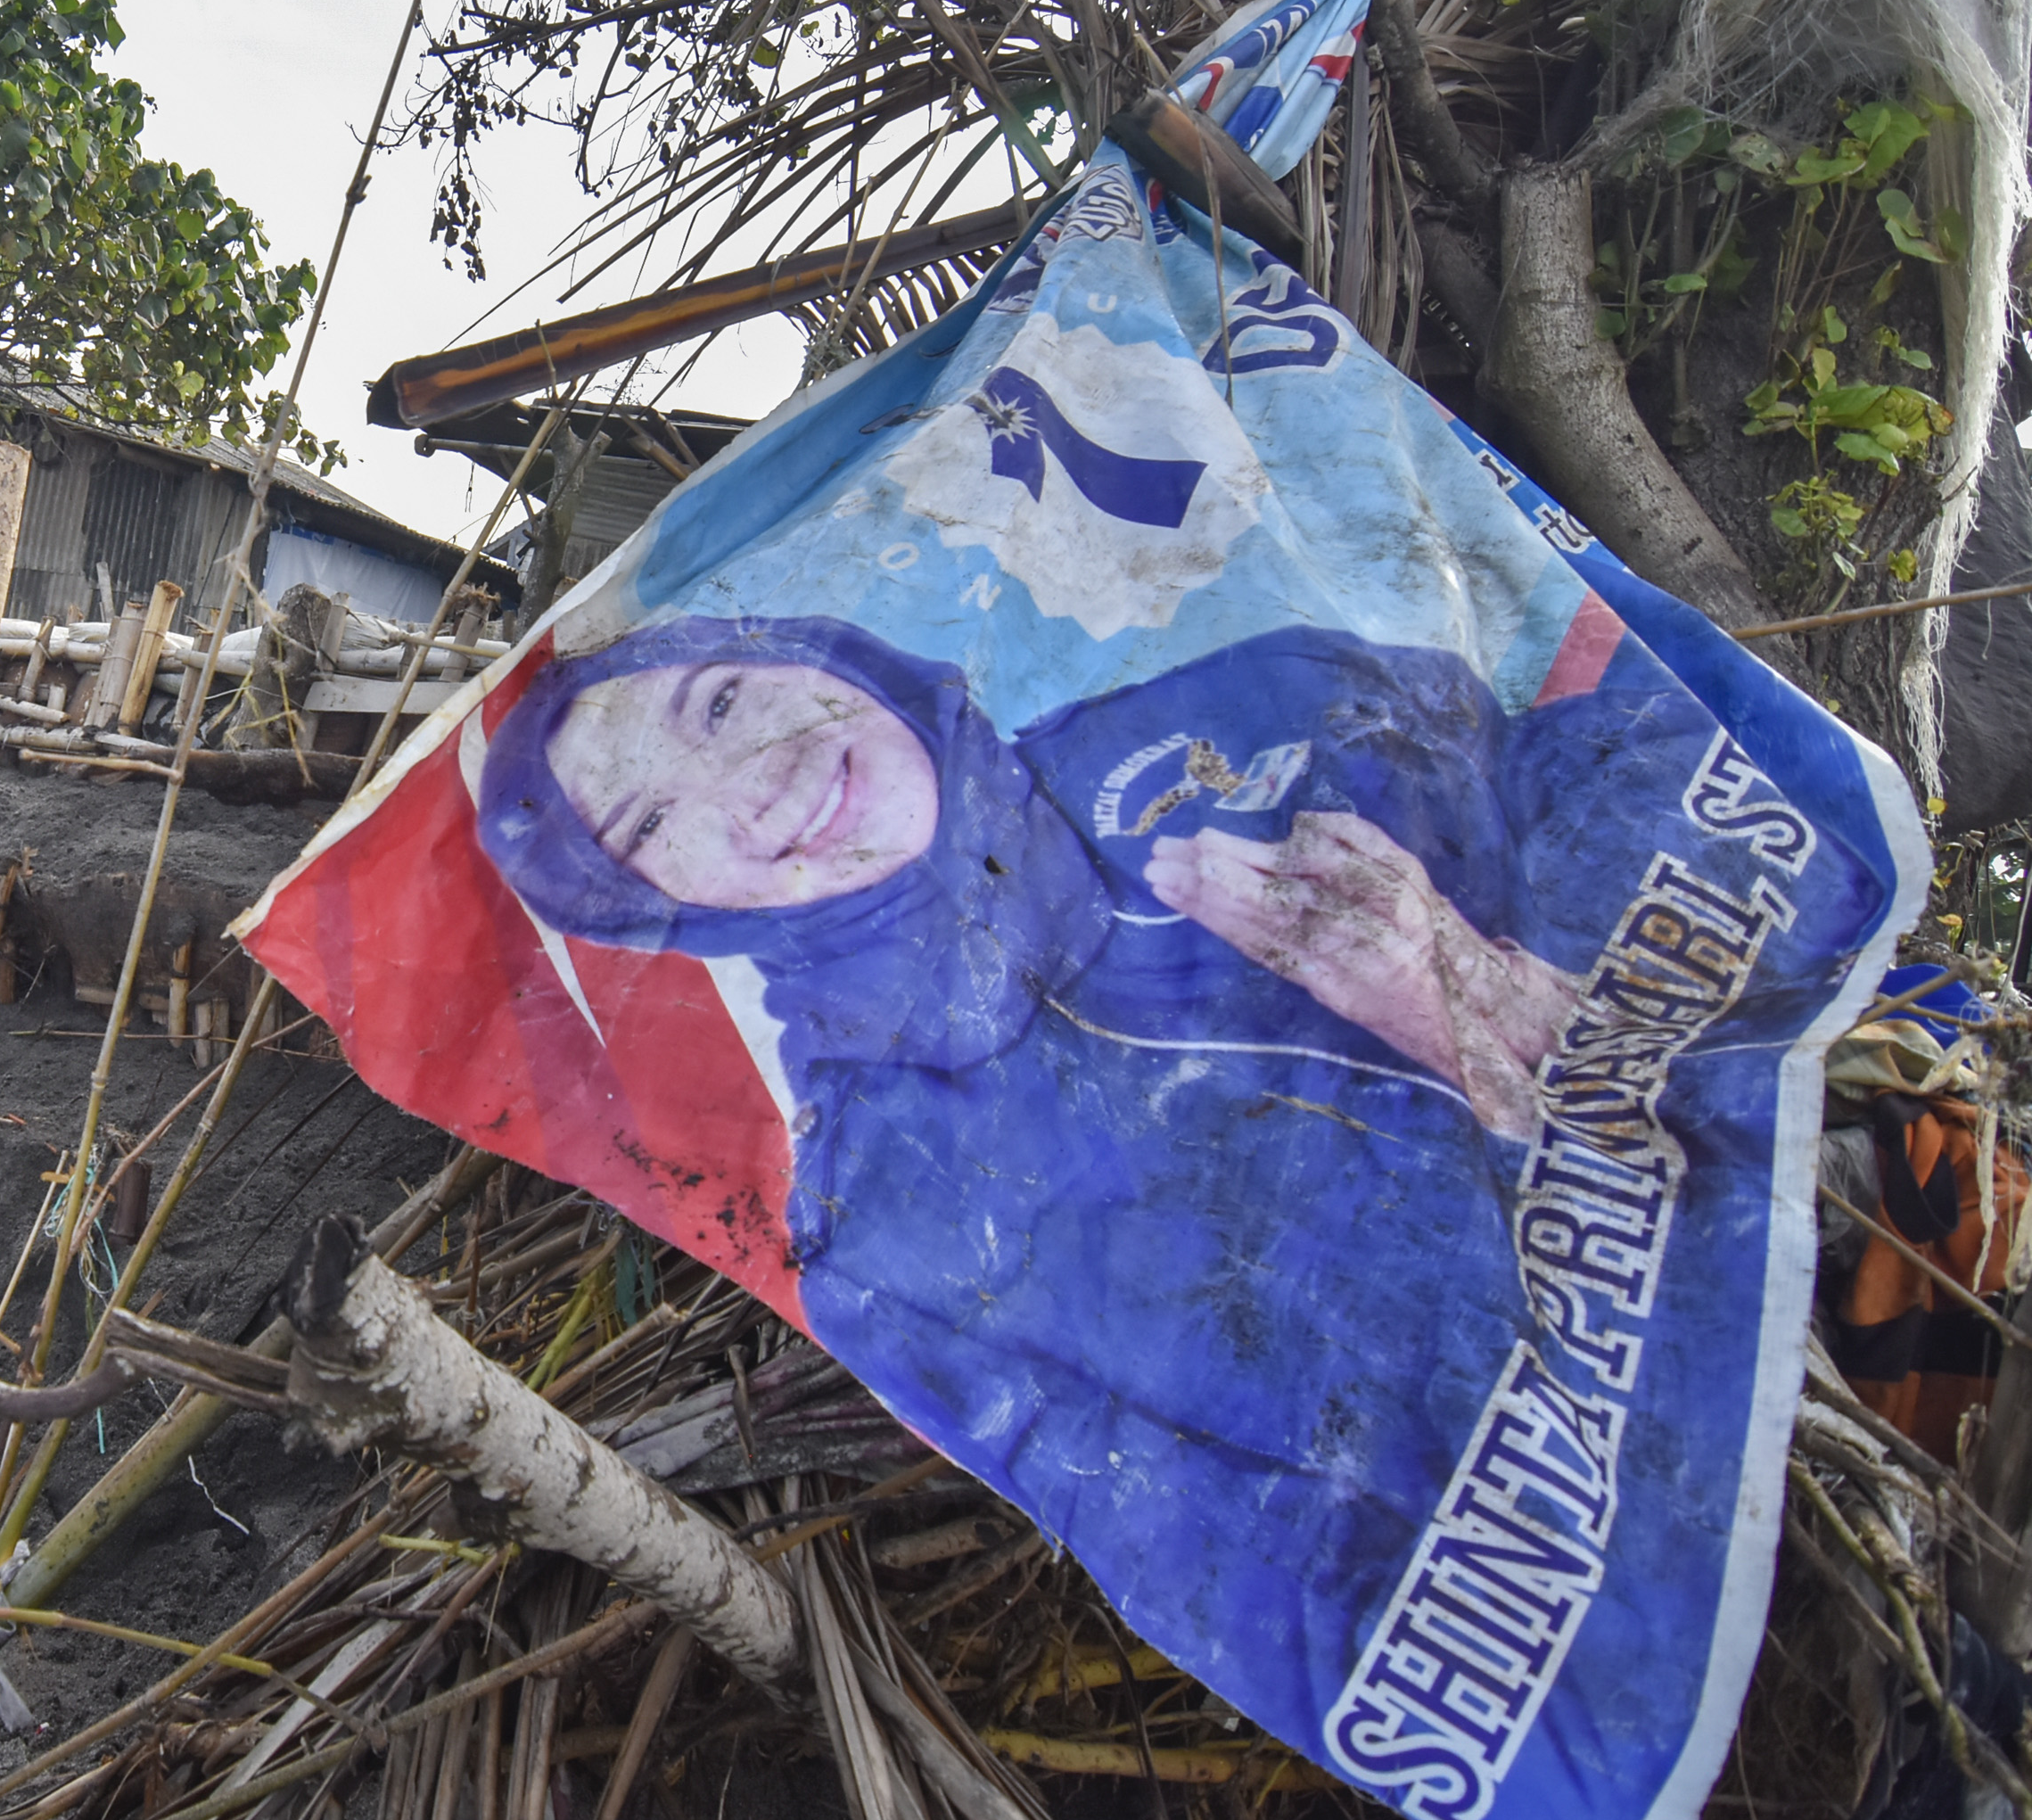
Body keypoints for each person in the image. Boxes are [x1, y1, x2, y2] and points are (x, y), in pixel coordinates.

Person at [473, 610, 1862, 1617]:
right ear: (665, 915)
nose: (754, 780)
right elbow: (1295, 1569)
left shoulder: (1261, 698)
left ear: (818, 653)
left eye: (718, 702)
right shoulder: (893, 1227)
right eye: (653, 828)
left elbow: (1782, 860)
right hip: (1754, 1566)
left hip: (1883, 1233)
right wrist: (1497, 1078)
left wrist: (1526, 1000)